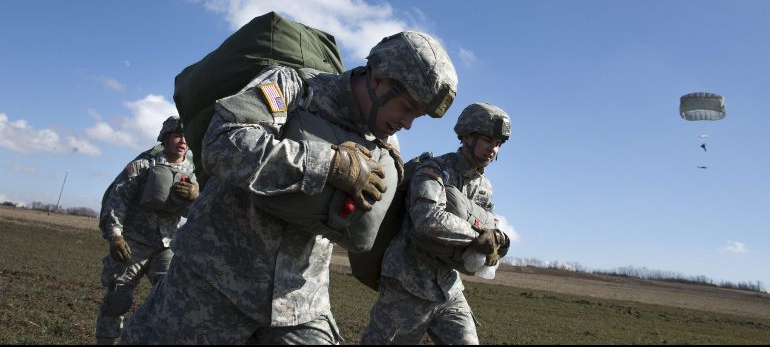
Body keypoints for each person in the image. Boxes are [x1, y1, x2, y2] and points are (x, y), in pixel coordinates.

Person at [121, 30, 458, 345]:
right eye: (409, 108)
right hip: (213, 283)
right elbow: (223, 143)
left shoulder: (385, 144)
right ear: (380, 80)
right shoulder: (292, 88)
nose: (409, 123)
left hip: (299, 302)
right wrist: (327, 164)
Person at [362, 102, 512, 345]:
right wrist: (477, 236)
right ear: (466, 135)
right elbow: (428, 218)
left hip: (448, 289)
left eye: (498, 143)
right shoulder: (434, 169)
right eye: (487, 139)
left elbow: (489, 225)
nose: (492, 149)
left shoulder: (484, 187)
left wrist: (498, 240)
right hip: (407, 284)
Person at [95, 116, 198, 345]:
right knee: (117, 301)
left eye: (187, 136)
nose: (183, 141)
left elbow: (196, 213)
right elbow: (116, 201)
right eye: (178, 135)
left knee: (172, 301)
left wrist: (195, 196)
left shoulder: (193, 171)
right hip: (133, 244)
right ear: (166, 137)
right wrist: (115, 236)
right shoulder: (143, 165)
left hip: (167, 246)